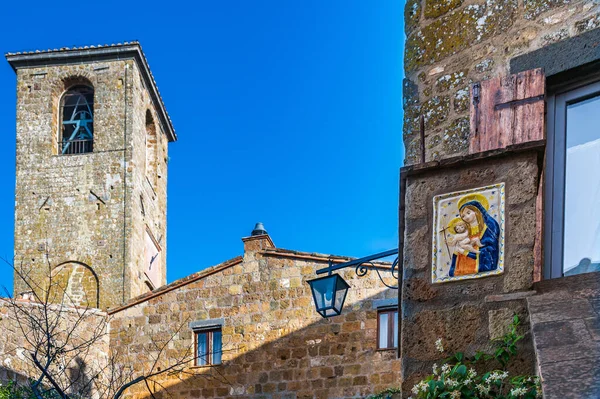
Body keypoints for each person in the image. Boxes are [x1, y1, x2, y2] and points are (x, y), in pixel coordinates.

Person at [448, 193, 500, 277]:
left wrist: (475, 245)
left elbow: (490, 247)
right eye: (463, 216)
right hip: (462, 267)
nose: (466, 217)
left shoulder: (487, 228)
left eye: (468, 213)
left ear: (476, 211)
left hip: (478, 263)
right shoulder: (466, 231)